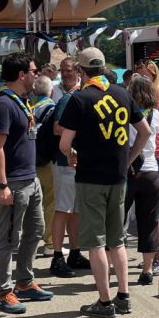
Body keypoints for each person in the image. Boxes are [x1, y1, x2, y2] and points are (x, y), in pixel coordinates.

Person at [59, 47, 150, 318]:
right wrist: (129, 159)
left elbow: (64, 143)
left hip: (91, 178)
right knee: (117, 241)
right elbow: (144, 132)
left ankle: (104, 300)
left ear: (81, 71)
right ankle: (124, 295)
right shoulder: (122, 93)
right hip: (118, 177)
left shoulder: (79, 98)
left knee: (96, 243)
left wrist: (71, 154)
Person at [0, 53, 53, 314]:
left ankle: (24, 282)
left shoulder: (23, 100)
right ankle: (4, 292)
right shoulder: (3, 104)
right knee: (7, 239)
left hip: (29, 178)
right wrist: (2, 185)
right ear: (21, 74)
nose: (37, 75)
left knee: (36, 231)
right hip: (12, 183)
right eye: (33, 71)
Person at [49, 73, 90, 277]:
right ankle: (57, 256)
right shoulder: (70, 98)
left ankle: (75, 252)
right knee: (63, 209)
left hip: (76, 163)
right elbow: (57, 128)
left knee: (75, 211)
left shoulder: (80, 97)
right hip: (65, 161)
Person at [135, 59, 159, 276]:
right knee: (149, 212)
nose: (141, 79)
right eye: (138, 75)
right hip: (146, 157)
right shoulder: (147, 99)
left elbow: (146, 124)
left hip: (155, 155)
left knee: (152, 213)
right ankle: (153, 256)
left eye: (144, 75)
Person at [125, 75, 159, 286]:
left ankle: (113, 266)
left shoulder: (127, 112)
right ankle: (147, 269)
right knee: (149, 222)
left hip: (130, 169)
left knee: (117, 222)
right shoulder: (155, 113)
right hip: (151, 171)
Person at [32, 75, 57, 257]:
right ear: (52, 92)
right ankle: (49, 242)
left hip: (30, 160)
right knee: (51, 201)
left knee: (32, 202)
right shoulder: (53, 108)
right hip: (48, 160)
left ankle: (29, 241)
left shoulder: (29, 108)